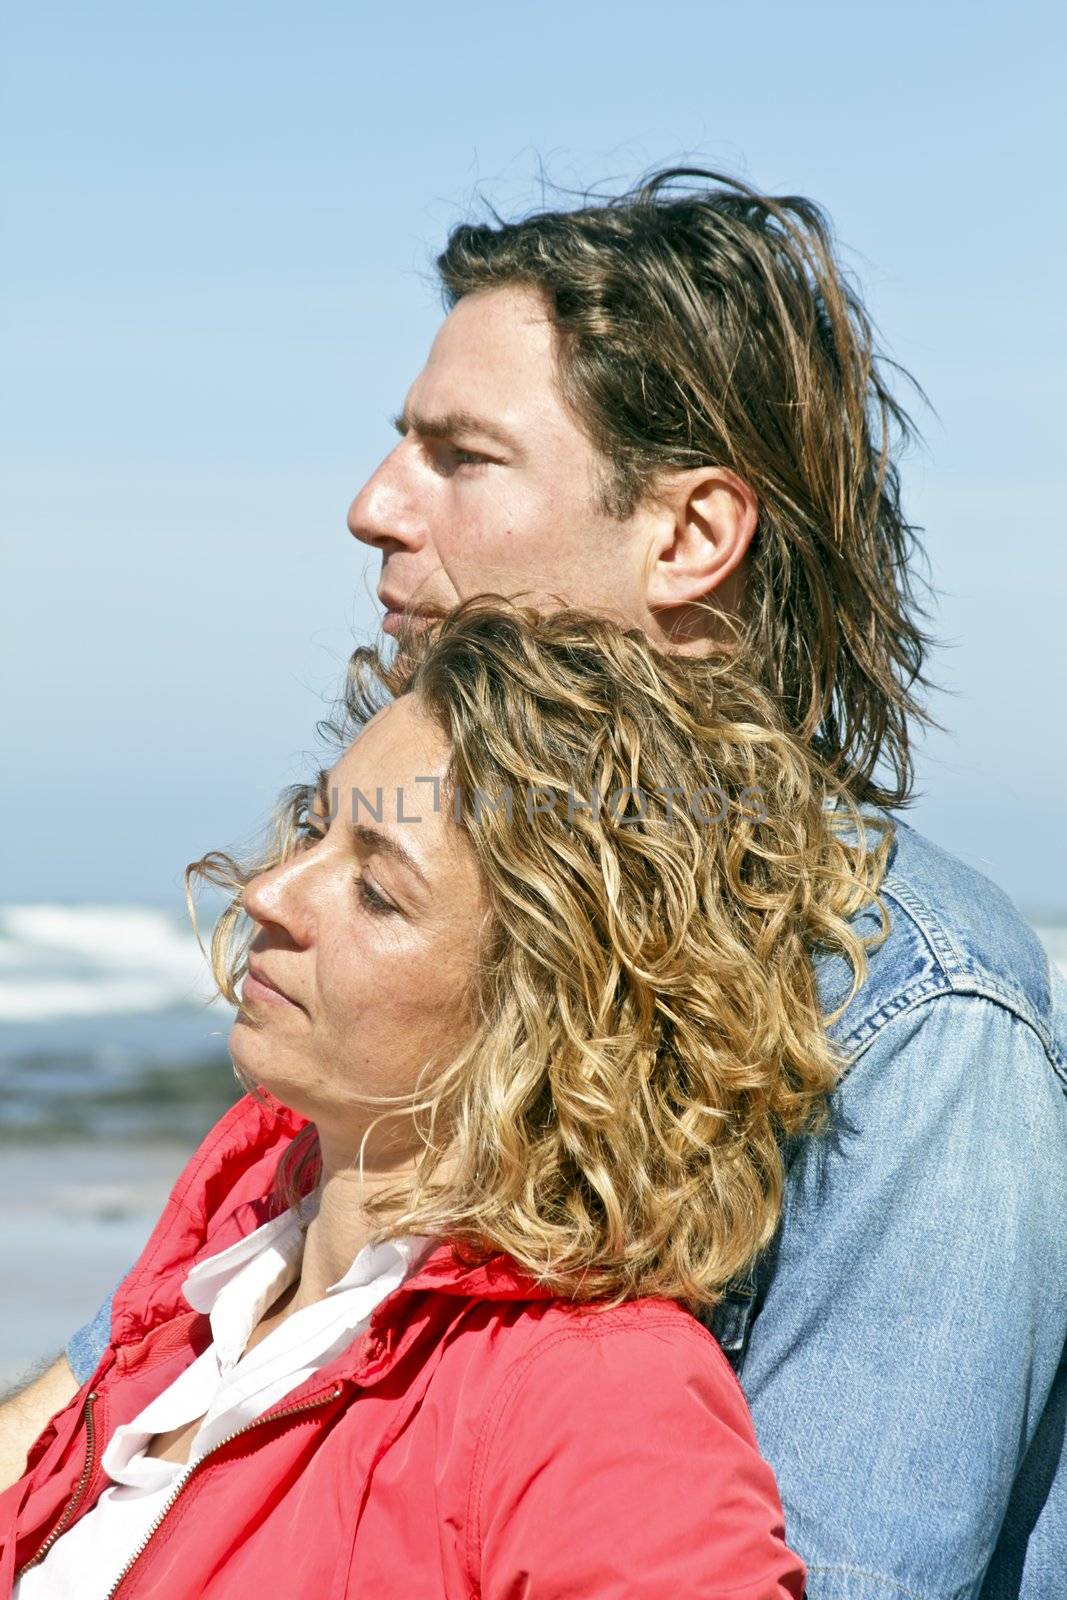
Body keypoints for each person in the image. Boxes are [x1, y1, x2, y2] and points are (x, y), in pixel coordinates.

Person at [4, 167, 1066, 1597]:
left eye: (461, 456)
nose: (371, 505)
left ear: (688, 535)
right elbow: (125, 1403)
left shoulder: (919, 1014)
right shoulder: (405, 917)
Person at [0, 597, 889, 1596]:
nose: (271, 892)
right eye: (313, 825)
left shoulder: (592, 1396)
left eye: (377, 890)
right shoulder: (237, 1227)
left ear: (546, 1006)